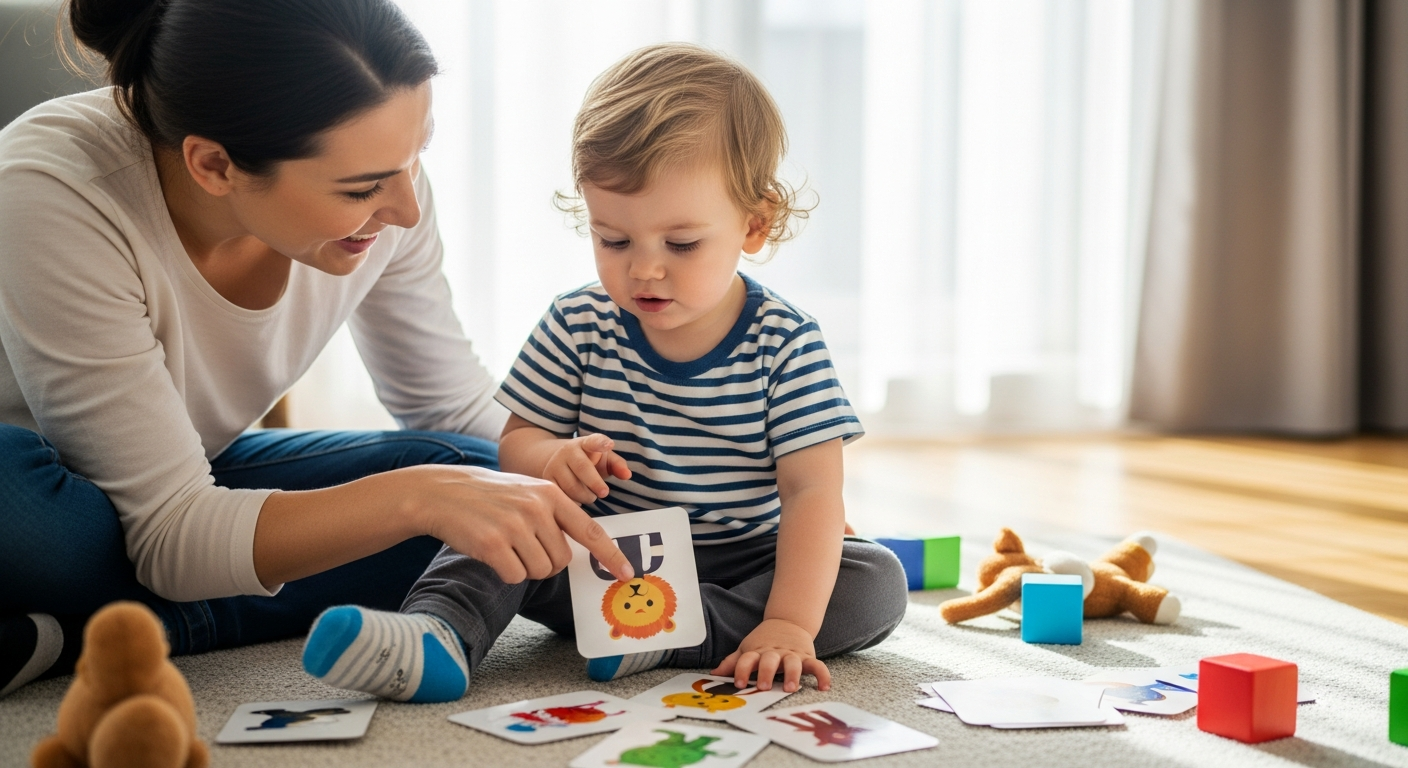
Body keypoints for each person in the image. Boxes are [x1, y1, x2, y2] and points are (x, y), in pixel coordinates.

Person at [0, 0, 631, 701]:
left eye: (415, 158)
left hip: (184, 474)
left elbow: (449, 406)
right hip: (49, 488)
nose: (406, 209)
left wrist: (575, 473)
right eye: (362, 189)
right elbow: (171, 530)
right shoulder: (52, 190)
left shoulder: (389, 196)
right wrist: (416, 499)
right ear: (214, 165)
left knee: (483, 478)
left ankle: (69, 636)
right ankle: (135, 623)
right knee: (16, 506)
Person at [302, 43, 908, 703]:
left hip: (742, 562)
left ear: (754, 225)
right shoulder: (577, 322)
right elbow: (518, 444)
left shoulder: (785, 342)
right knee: (498, 509)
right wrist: (552, 458)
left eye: (681, 244)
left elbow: (813, 494)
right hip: (601, 559)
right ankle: (439, 632)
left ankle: (676, 635)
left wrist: (789, 623)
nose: (644, 269)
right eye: (613, 240)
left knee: (873, 578)